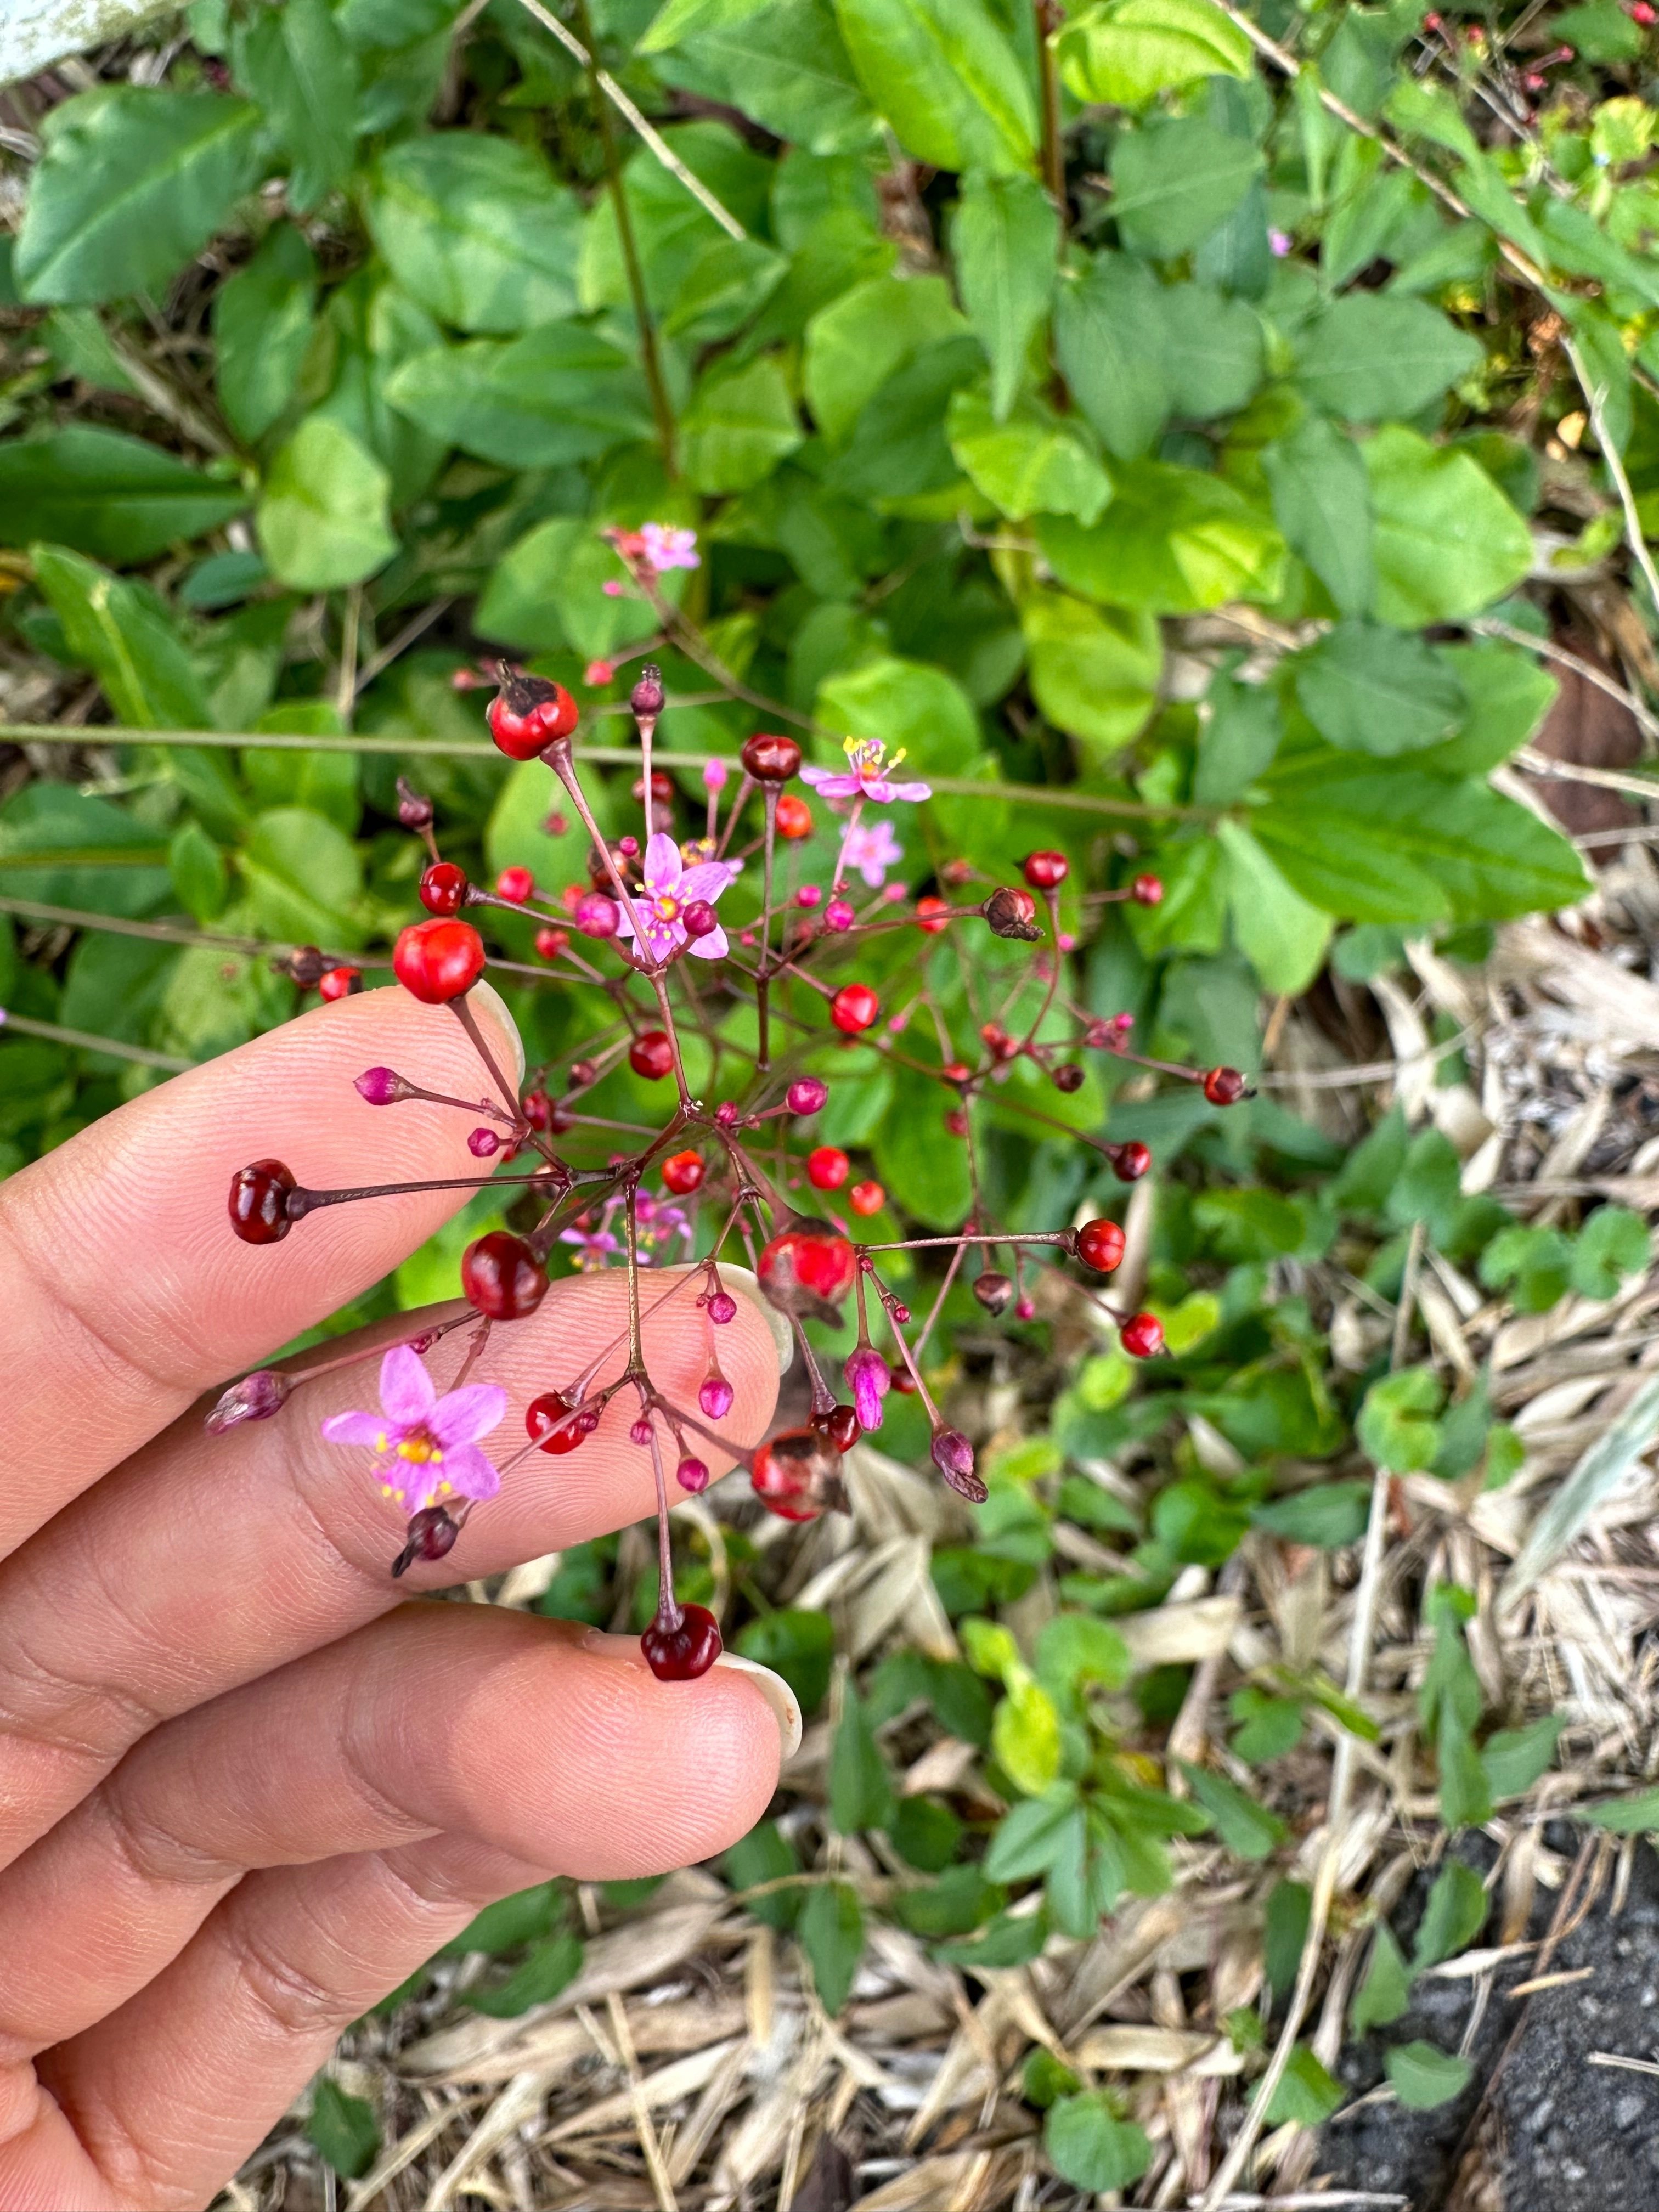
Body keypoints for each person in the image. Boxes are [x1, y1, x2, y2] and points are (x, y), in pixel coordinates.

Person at [0, 980, 798, 2209]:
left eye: (425, 1455)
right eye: (421, 1453)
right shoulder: (438, 1421)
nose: (418, 1457)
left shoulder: (449, 1421)